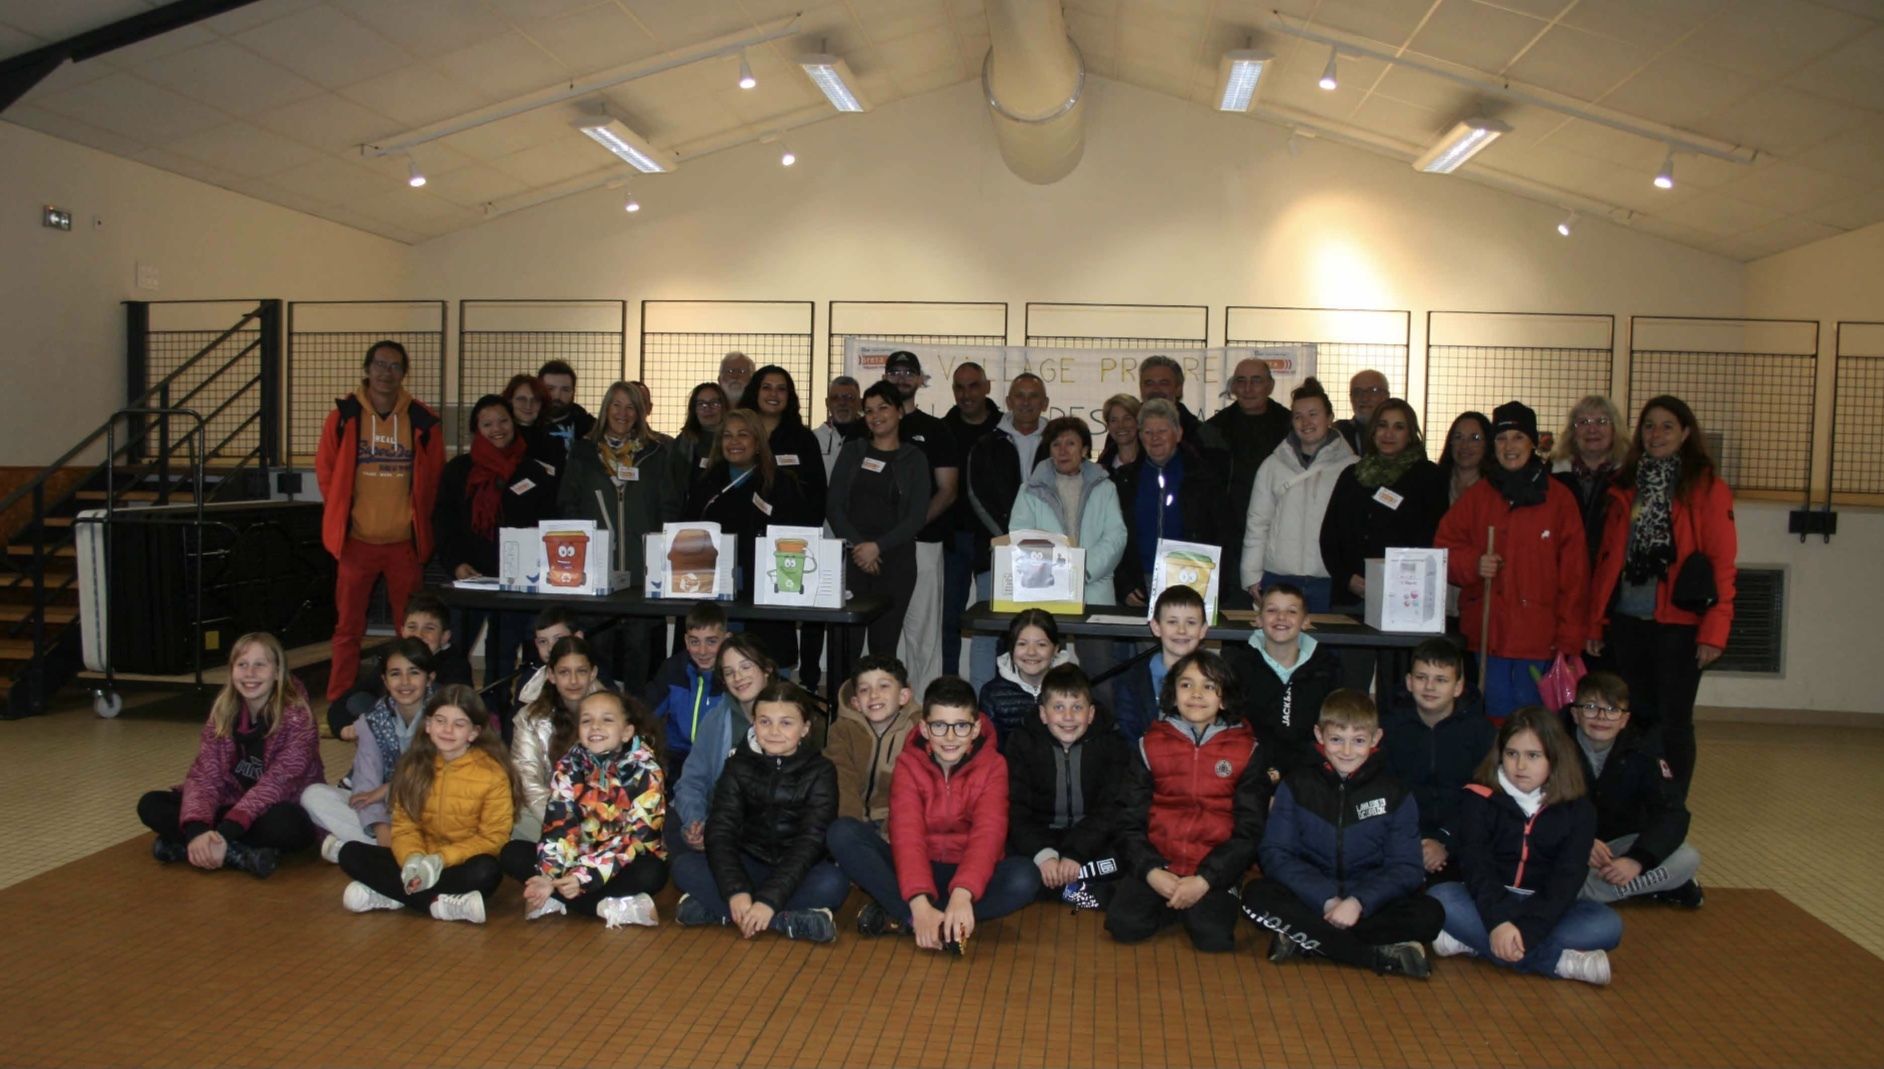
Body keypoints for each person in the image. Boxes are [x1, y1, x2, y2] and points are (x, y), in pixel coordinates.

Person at [1586, 395, 1736, 797]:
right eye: (1649, 426)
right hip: (1626, 622)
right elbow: (1607, 561)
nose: (1656, 434)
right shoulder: (1625, 486)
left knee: (1672, 722)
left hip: (1680, 626)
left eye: (1667, 426)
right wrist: (1596, 622)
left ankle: (1669, 805)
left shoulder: (1707, 489)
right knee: (1632, 718)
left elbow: (1722, 564)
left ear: (1686, 433)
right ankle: (1636, 800)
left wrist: (1714, 631)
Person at [1241, 690, 1443, 977]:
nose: (1347, 751)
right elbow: (1276, 855)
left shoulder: (1395, 793)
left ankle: (1308, 939)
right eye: (1336, 739)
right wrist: (1327, 899)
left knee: (1430, 914)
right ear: (1319, 735)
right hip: (1312, 898)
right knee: (1256, 896)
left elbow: (1407, 868)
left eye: (1358, 741)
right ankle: (1376, 957)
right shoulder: (1296, 785)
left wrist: (1358, 902)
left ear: (1375, 738)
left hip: (1369, 903)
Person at [826, 677, 1039, 949]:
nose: (950, 737)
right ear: (924, 729)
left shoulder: (994, 765)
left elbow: (988, 835)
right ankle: (925, 919)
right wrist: (918, 902)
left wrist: (963, 894)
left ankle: (916, 917)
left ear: (975, 729)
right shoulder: (908, 763)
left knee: (1025, 877)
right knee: (843, 833)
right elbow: (907, 835)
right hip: (917, 866)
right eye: (939, 726)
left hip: (967, 870)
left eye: (961, 726)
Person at [1427, 706, 1622, 985]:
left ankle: (1477, 943)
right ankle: (1559, 962)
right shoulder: (1478, 798)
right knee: (1440, 899)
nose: (1520, 766)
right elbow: (1477, 866)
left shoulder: (1578, 810)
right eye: (1511, 754)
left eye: (1533, 756)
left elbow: (1566, 880)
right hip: (1487, 900)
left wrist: (1526, 931)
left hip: (1544, 906)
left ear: (1554, 757)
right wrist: (1498, 921)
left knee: (1607, 926)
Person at [1435, 401, 1589, 722]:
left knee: (1535, 725)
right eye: (1502, 439)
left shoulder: (1559, 500)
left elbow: (1575, 576)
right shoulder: (1478, 497)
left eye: (1518, 437)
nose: (1510, 446)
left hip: (1541, 640)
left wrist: (1569, 639)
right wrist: (1474, 564)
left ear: (1533, 443)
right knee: (1492, 724)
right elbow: (1444, 549)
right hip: (1489, 636)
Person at [1107, 650, 1267, 952]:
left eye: (1209, 686)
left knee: (1213, 938)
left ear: (1224, 698)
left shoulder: (1247, 750)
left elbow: (1250, 829)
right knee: (1124, 925)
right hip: (1160, 862)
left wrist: (1206, 879)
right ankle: (1171, 901)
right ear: (1172, 693)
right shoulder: (1149, 744)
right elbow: (1128, 818)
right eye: (1186, 684)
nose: (1196, 694)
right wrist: (1151, 871)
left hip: (1212, 867)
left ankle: (1194, 900)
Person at [316, 339, 445, 703]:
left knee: (413, 630)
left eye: (394, 366)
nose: (386, 373)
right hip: (356, 542)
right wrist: (342, 514)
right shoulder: (343, 417)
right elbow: (326, 471)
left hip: (404, 545)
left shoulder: (422, 419)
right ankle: (339, 701)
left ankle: (415, 700)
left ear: (404, 373)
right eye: (379, 364)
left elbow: (434, 476)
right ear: (367, 368)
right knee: (347, 628)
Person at [673, 682, 849, 942]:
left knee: (833, 883)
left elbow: (812, 841)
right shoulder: (737, 765)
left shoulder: (821, 771)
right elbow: (721, 830)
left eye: (786, 723)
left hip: (797, 868)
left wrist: (768, 900)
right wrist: (736, 891)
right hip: (748, 863)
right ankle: (785, 920)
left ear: (805, 728)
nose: (774, 731)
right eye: (765, 722)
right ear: (753, 724)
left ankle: (725, 913)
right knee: (684, 867)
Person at [138, 632, 322, 878]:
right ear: (231, 671)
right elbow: (205, 775)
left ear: (278, 672)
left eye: (260, 665)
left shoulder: (299, 718)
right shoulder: (223, 712)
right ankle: (237, 854)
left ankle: (193, 848)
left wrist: (226, 831)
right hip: (230, 805)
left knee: (289, 824)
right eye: (242, 665)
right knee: (151, 804)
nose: (250, 673)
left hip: (274, 808)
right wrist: (197, 829)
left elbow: (277, 784)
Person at [336, 686, 518, 924]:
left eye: (459, 724)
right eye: (440, 721)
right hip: (419, 859)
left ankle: (394, 893)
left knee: (487, 871)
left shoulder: (492, 774)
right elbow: (404, 827)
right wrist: (412, 858)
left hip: (458, 862)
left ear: (474, 733)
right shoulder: (413, 767)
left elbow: (493, 838)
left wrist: (440, 860)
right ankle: (438, 904)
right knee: (350, 853)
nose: (448, 730)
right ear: (428, 725)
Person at [557, 380, 686, 689]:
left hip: (641, 569)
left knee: (639, 649)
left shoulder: (656, 453)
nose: (622, 413)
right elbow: (568, 503)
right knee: (597, 649)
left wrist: (662, 553)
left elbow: (669, 506)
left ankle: (635, 711)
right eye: (616, 405)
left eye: (631, 407)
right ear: (606, 409)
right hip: (597, 570)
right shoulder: (584, 452)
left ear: (640, 413)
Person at [509, 690, 667, 928]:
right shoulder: (568, 766)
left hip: (621, 860)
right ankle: (604, 906)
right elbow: (558, 827)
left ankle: (560, 897)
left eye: (607, 719)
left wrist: (582, 878)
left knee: (652, 872)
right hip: (575, 858)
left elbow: (635, 840)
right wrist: (550, 875)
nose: (595, 727)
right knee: (512, 853)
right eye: (586, 720)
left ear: (627, 732)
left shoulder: (647, 771)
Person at [432, 395, 555, 688]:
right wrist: (455, 564)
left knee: (504, 656)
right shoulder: (458, 470)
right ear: (476, 429)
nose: (497, 429)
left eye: (503, 421)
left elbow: (547, 525)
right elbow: (443, 523)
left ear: (514, 423)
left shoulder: (533, 472)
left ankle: (501, 710)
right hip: (469, 580)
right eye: (487, 424)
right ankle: (456, 708)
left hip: (516, 583)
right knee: (454, 652)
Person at [683, 407, 812, 669]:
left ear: (757, 442)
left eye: (743, 434)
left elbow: (796, 535)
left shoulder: (781, 483)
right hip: (714, 587)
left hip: (765, 588)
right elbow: (687, 531)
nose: (734, 441)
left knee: (765, 667)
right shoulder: (706, 482)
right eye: (727, 435)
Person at [1006, 414, 1128, 689]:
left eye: (1071, 443)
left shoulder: (1105, 487)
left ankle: (1101, 718)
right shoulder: (1030, 489)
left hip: (1094, 588)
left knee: (1100, 674)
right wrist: (1057, 574)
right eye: (1056, 444)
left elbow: (1116, 536)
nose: (1063, 450)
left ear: (1085, 449)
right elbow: (1020, 536)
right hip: (1044, 592)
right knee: (1040, 672)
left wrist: (1083, 570)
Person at [1566, 671, 1704, 907]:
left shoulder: (1643, 750)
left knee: (1687, 857)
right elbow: (1533, 806)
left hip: (1619, 846)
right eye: (1590, 707)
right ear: (1575, 714)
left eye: (1612, 710)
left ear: (1624, 719)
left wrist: (1637, 861)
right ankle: (1647, 887)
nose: (1601, 717)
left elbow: (1672, 812)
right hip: (1566, 844)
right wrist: (1579, 840)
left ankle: (1587, 890)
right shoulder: (1552, 748)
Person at [826, 381, 930, 679]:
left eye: (883, 408)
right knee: (846, 645)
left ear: (899, 412)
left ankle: (883, 706)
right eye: (869, 410)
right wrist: (860, 547)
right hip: (853, 559)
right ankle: (842, 708)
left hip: (895, 563)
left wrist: (877, 547)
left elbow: (916, 517)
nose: (875, 416)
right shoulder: (853, 451)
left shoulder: (914, 458)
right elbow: (834, 506)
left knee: (884, 648)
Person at [1006, 663, 1130, 911]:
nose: (1068, 717)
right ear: (1043, 714)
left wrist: (1076, 853)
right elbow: (1015, 810)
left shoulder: (1112, 744)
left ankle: (1061, 885)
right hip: (1041, 838)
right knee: (1015, 867)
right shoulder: (1021, 743)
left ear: (1091, 713)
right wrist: (1043, 855)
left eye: (1077, 707)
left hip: (1091, 840)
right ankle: (1075, 887)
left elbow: (1111, 808)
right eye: (1058, 707)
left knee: (1125, 856)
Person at [303, 638, 434, 856]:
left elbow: (438, 776)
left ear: (430, 678)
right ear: (384, 680)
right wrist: (380, 827)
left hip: (429, 805)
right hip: (385, 810)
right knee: (313, 796)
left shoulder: (444, 717)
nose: (405, 682)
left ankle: (358, 849)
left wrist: (388, 789)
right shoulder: (372, 720)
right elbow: (366, 784)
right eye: (395, 674)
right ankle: (391, 849)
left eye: (414, 672)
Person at [1380, 638, 1493, 882]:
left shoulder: (1480, 732)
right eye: (1421, 677)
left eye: (1441, 680)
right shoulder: (1388, 729)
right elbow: (1384, 792)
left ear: (1458, 686)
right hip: (1402, 841)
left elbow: (1484, 795)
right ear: (1409, 682)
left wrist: (1444, 840)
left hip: (1464, 842)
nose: (1429, 686)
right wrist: (1417, 841)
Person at [1240, 377, 1357, 612]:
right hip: (1279, 578)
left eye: (1313, 414)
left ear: (1330, 418)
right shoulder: (1273, 465)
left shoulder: (1352, 467)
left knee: (1326, 637)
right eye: (1298, 416)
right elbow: (1258, 523)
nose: (1306, 422)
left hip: (1330, 580)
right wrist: (1251, 574)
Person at [882, 351, 961, 699]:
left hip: (923, 544)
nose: (901, 377)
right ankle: (882, 707)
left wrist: (909, 527)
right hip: (878, 549)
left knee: (923, 633)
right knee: (882, 632)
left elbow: (948, 490)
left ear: (919, 380)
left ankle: (925, 711)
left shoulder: (936, 429)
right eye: (894, 371)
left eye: (908, 372)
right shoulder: (868, 427)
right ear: (885, 377)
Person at [963, 372, 1050, 687]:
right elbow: (975, 495)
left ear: (1045, 403)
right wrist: (1008, 542)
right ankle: (979, 703)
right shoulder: (985, 443)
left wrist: (1044, 543)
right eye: (1019, 396)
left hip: (1047, 559)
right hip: (996, 555)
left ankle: (1042, 702)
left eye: (1033, 396)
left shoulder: (1058, 442)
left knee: (1043, 633)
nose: (1026, 402)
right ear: (1008, 401)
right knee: (988, 631)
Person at [1318, 398, 1446, 609]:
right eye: (1382, 425)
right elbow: (1329, 536)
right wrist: (1347, 578)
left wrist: (1395, 582)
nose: (1389, 434)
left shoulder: (1428, 477)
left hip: (1404, 598)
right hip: (1350, 595)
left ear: (1410, 434)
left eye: (1399, 427)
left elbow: (1433, 539)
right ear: (1373, 431)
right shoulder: (1352, 475)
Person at [1111, 398, 1231, 607]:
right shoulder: (1125, 481)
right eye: (1148, 432)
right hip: (1140, 584)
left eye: (1162, 431)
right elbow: (1113, 536)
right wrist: (1123, 584)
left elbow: (1223, 534)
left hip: (1192, 579)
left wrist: (1216, 583)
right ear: (1140, 436)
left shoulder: (1204, 478)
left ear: (1179, 433)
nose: (1155, 438)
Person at [1222, 583, 1341, 783]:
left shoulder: (1326, 669)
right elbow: (1230, 726)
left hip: (1309, 774)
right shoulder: (1239, 667)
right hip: (1252, 773)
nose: (1281, 617)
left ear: (1306, 621)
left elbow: (1332, 729)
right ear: (1258, 619)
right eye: (1272, 610)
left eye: (1291, 611)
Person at [671, 636, 780, 853]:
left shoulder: (790, 717)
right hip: (717, 821)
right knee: (673, 833)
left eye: (745, 667)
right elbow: (691, 782)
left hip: (766, 833)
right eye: (729, 672)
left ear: (766, 669)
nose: (738, 677)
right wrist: (696, 822)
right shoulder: (716, 719)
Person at [329, 593, 472, 741]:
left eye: (429, 628)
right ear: (402, 632)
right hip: (392, 727)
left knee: (440, 694)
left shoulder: (456, 665)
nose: (418, 635)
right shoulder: (393, 660)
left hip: (432, 734)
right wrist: (343, 729)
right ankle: (386, 740)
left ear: (445, 637)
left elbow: (462, 708)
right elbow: (342, 702)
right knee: (358, 700)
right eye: (412, 627)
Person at [1208, 357, 1292, 605]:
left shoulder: (1290, 427)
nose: (1248, 388)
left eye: (1256, 381)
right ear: (1233, 387)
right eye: (1241, 381)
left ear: (1270, 385)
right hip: (1230, 540)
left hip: (1281, 536)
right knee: (1235, 615)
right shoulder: (1214, 429)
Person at [510, 635, 605, 842]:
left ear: (593, 673)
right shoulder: (529, 718)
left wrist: (590, 822)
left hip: (601, 813)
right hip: (546, 811)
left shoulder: (613, 714)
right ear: (551, 675)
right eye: (564, 672)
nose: (573, 680)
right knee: (516, 825)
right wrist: (565, 820)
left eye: (581, 671)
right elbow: (527, 780)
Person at [941, 362, 1002, 679]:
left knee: (996, 621)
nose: (966, 394)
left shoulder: (1004, 430)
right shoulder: (942, 430)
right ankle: (948, 688)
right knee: (948, 620)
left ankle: (997, 690)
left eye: (974, 385)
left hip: (995, 542)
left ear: (987, 387)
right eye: (959, 387)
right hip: (953, 541)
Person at [826, 654, 923, 835]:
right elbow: (842, 783)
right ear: (856, 703)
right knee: (839, 832)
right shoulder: (843, 731)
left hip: (898, 824)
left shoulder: (917, 732)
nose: (873, 695)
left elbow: (913, 793)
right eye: (864, 690)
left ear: (903, 696)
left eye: (883, 686)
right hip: (855, 821)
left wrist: (888, 834)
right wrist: (853, 826)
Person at [642, 603, 728, 781]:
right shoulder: (673, 669)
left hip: (719, 756)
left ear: (726, 640)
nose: (702, 651)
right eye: (695, 642)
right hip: (677, 755)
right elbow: (646, 714)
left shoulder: (733, 674)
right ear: (686, 641)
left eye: (711, 641)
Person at [1113, 584, 1208, 743]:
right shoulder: (1132, 681)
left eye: (1191, 622)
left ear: (1203, 630)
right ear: (1156, 627)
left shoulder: (1216, 679)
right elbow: (1129, 734)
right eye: (1172, 622)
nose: (1181, 630)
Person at [1551, 395, 1630, 569]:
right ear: (1572, 432)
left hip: (1614, 571)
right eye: (1583, 422)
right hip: (1563, 569)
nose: (1592, 429)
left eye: (1601, 421)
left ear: (1614, 429)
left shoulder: (1629, 476)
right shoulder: (1551, 475)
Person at [977, 609, 1074, 749]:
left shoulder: (1073, 687)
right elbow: (987, 748)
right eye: (1022, 644)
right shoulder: (991, 693)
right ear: (1011, 648)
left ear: (1055, 650)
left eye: (1041, 644)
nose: (1031, 652)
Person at [739, 364, 827, 518]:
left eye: (781, 389)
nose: (773, 394)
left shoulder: (804, 439)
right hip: (741, 524)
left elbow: (817, 492)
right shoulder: (737, 434)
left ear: (789, 396)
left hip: (789, 528)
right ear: (755, 392)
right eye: (766, 387)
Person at [1134, 354, 1229, 465]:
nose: (1155, 389)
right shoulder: (1126, 430)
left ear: (1179, 389)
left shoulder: (1202, 435)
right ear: (1140, 388)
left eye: (1164, 383)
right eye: (1149, 383)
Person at [536, 359, 595, 458]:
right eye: (550, 389)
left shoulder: (589, 428)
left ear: (573, 392)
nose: (557, 396)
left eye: (565, 390)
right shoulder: (525, 423)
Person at [1437, 411, 1494, 506]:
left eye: (1474, 438)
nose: (1464, 445)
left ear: (1487, 444)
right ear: (1450, 442)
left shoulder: (1495, 490)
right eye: (1458, 437)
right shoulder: (1433, 484)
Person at [677, 381, 731, 475]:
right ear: (694, 410)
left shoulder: (734, 439)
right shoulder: (684, 442)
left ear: (724, 407)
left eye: (714, 403)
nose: (708, 408)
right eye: (701, 404)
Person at [816, 375, 863, 475]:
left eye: (849, 398)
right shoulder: (814, 438)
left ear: (859, 403)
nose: (842, 403)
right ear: (827, 403)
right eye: (835, 398)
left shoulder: (871, 437)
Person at [1334, 369, 1390, 454]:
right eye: (1357, 392)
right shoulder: (1338, 433)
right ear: (1351, 398)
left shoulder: (1398, 433)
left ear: (1386, 396)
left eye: (1373, 391)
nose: (1364, 398)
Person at [1096, 393, 1141, 472]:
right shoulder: (1099, 470)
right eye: (1114, 420)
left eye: (1127, 418)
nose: (1121, 426)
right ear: (1108, 425)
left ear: (1138, 422)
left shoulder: (1153, 464)